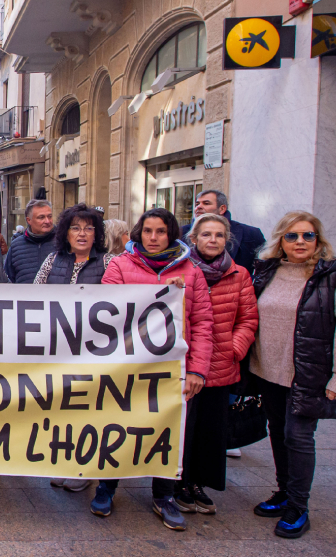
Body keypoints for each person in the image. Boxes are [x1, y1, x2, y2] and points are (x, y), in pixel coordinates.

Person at [93, 207, 214, 530]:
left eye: (161, 231)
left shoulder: (192, 272)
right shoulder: (120, 265)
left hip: (172, 368)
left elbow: (203, 324)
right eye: (148, 231)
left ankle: (164, 495)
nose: (154, 238)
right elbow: (107, 309)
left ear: (171, 234)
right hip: (126, 366)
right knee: (117, 425)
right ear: (138, 234)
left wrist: (198, 371)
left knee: (167, 429)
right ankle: (107, 486)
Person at [249, 211, 336, 539]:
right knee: (279, 431)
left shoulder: (333, 276)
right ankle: (284, 492)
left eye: (308, 235)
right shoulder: (267, 270)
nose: (300, 242)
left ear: (318, 240)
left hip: (308, 374)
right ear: (280, 240)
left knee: (298, 437)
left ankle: (299, 506)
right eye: (292, 236)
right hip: (268, 370)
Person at [170, 213, 258, 515]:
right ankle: (178, 484)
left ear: (227, 240)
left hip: (220, 365)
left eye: (219, 235)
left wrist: (234, 349)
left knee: (210, 428)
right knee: (185, 427)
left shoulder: (239, 274)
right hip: (183, 364)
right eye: (206, 234)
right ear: (194, 238)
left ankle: (199, 484)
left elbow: (248, 319)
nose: (213, 240)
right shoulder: (179, 270)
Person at [31, 204, 114, 492]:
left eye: (89, 228)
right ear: (65, 233)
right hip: (58, 351)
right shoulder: (53, 261)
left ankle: (85, 468)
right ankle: (65, 461)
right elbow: (35, 298)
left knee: (89, 411)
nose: (82, 233)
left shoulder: (109, 264)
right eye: (75, 227)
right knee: (62, 410)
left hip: (93, 353)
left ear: (97, 234)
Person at [181, 190, 266, 272]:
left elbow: (266, 265)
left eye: (206, 203)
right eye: (197, 204)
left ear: (222, 208)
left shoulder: (251, 233)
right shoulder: (181, 232)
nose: (198, 207)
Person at [4, 199, 57, 283]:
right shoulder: (16, 246)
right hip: (24, 295)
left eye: (49, 216)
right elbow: (9, 277)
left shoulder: (62, 242)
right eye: (41, 217)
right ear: (29, 220)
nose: (47, 221)